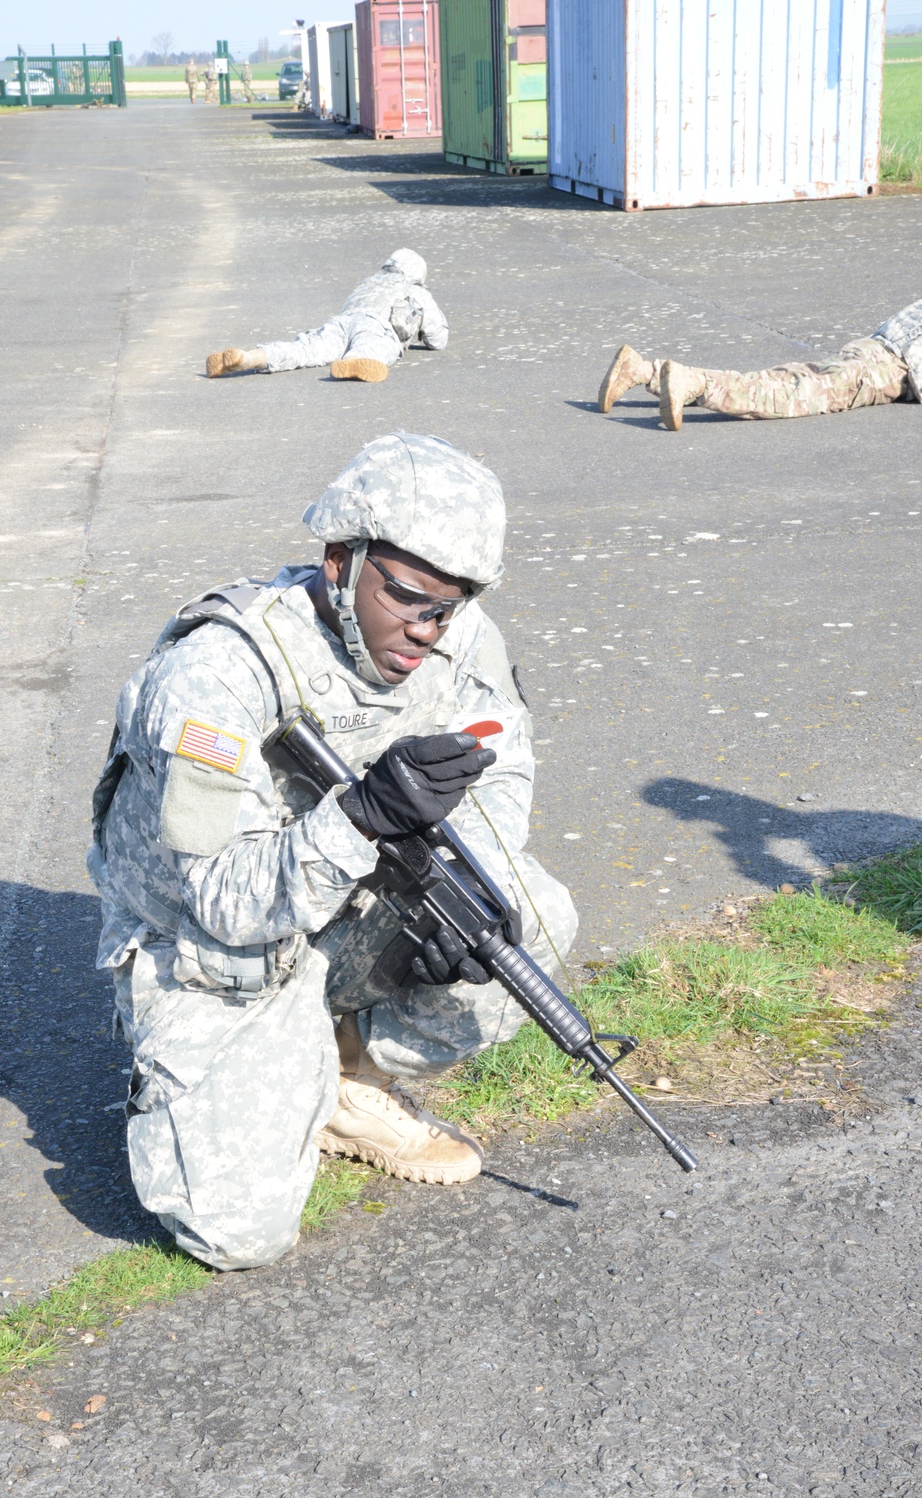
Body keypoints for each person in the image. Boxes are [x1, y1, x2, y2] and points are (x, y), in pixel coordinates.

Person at [88, 433, 577, 1271]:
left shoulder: (460, 634)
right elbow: (225, 903)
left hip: (338, 898)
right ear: (338, 562)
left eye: (452, 605)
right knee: (238, 1231)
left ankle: (344, 1075)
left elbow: (505, 774)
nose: (430, 630)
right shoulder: (219, 672)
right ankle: (267, 1065)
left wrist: (469, 885)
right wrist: (360, 817)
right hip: (211, 946)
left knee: (524, 914)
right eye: (414, 599)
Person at [598, 297, 922, 431]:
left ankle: (642, 370)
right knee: (790, 397)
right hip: (887, 369)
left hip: (874, 352)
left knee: (773, 380)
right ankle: (696, 384)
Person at [206, 248, 449, 384]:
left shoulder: (367, 282)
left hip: (342, 322)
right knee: (373, 347)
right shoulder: (415, 290)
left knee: (306, 349)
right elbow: (438, 339)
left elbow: (348, 309)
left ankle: (252, 357)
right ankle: (356, 359)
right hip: (376, 327)